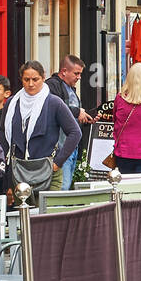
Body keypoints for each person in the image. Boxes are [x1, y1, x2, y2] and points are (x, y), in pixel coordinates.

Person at [3, 61, 81, 187]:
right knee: (23, 207)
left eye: (35, 79)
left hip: (48, 172)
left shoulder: (54, 103)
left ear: (43, 78)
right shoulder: (12, 103)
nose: (31, 84)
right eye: (26, 79)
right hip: (19, 173)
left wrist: (57, 163)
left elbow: (75, 132)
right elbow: (2, 132)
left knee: (47, 207)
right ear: (21, 80)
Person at [47, 55, 94, 190]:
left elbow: (72, 117)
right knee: (62, 189)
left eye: (80, 74)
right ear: (64, 72)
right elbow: (56, 108)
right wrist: (77, 111)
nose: (79, 77)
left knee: (66, 186)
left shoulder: (70, 88)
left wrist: (86, 118)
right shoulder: (52, 85)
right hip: (61, 148)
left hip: (72, 147)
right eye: (76, 73)